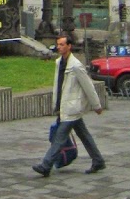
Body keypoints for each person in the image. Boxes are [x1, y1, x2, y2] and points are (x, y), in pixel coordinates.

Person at [32, 33, 105, 177]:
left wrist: (96, 105)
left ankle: (46, 165)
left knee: (60, 137)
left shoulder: (76, 66)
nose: (59, 47)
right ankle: (98, 160)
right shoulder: (59, 63)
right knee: (84, 135)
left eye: (62, 44)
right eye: (58, 44)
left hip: (72, 108)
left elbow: (88, 86)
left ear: (69, 46)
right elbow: (58, 86)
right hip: (64, 106)